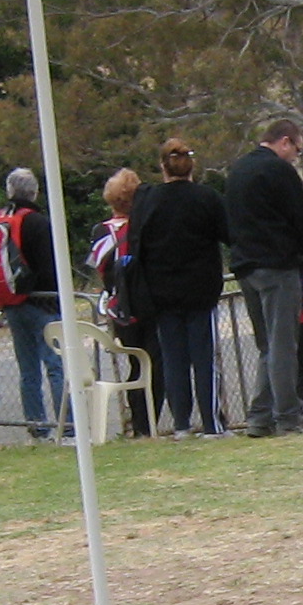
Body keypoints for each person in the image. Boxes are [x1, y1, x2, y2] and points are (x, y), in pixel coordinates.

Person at [224, 119, 303, 436]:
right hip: (277, 267)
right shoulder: (278, 171)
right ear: (285, 141)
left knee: (267, 346)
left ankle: (259, 417)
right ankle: (288, 418)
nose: (295, 158)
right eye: (297, 151)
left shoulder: (238, 170)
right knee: (284, 345)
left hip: (246, 268)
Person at [122, 138, 232, 437]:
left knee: (173, 361)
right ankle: (211, 423)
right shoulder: (207, 198)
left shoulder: (148, 202)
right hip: (201, 290)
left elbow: (138, 246)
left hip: (161, 292)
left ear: (163, 166)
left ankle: (181, 423)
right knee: (204, 360)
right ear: (192, 166)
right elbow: (229, 234)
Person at [0, 168, 70, 440]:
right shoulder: (38, 222)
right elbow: (48, 266)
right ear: (35, 192)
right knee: (55, 366)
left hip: (12, 301)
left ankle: (36, 424)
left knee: (28, 370)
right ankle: (67, 425)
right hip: (43, 303)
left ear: (9, 191)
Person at [90, 167, 152, 437]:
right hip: (145, 304)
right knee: (153, 363)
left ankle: (137, 421)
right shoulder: (141, 228)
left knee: (135, 362)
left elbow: (100, 268)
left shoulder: (100, 231)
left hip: (118, 307)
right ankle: (146, 421)